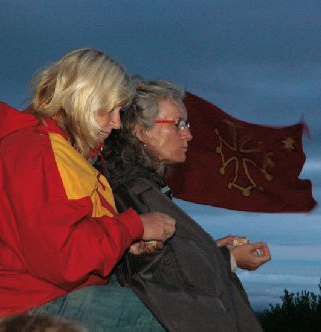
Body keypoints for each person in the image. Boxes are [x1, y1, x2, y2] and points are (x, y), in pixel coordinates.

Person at [0, 49, 175, 331]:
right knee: (173, 317)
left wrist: (126, 243)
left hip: (46, 294)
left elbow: (68, 233)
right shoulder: (33, 153)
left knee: (171, 298)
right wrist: (133, 227)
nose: (116, 123)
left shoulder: (56, 151)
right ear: (81, 99)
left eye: (119, 111)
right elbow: (62, 258)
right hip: (21, 310)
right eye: (108, 109)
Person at [101, 80, 271, 331]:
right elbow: (160, 274)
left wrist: (208, 249)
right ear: (141, 132)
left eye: (186, 124)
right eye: (178, 124)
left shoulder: (138, 184)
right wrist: (229, 259)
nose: (188, 134)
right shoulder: (134, 190)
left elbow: (166, 255)